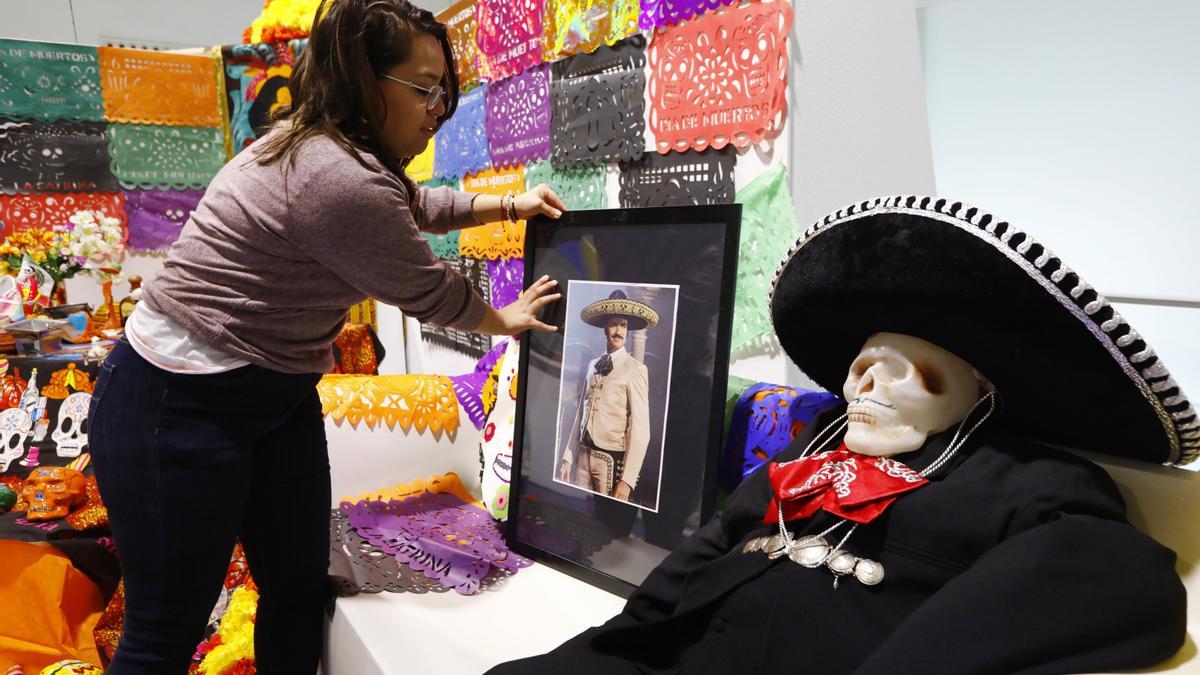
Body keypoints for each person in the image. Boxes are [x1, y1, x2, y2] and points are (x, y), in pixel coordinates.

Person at [492, 195, 1190, 674]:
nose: (866, 390)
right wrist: (612, 647)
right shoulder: (817, 446)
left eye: (907, 375)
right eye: (861, 370)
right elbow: (708, 549)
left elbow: (1131, 579)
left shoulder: (1021, 480)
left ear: (980, 391)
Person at [87, 1, 564, 672]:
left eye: (443, 90)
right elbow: (427, 289)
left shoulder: (342, 154)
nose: (438, 108)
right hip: (174, 400)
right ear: (367, 83)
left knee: (299, 588)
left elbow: (415, 203)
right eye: (425, 88)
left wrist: (509, 203)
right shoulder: (336, 177)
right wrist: (505, 320)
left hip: (272, 394)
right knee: (164, 629)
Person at [557, 291, 657, 503]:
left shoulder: (636, 369)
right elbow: (581, 413)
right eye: (614, 324)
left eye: (623, 325)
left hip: (610, 460)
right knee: (581, 511)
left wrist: (627, 480)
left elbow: (640, 429)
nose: (618, 330)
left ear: (628, 330)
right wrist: (568, 455)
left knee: (605, 516)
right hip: (583, 455)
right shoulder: (593, 365)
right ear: (605, 327)